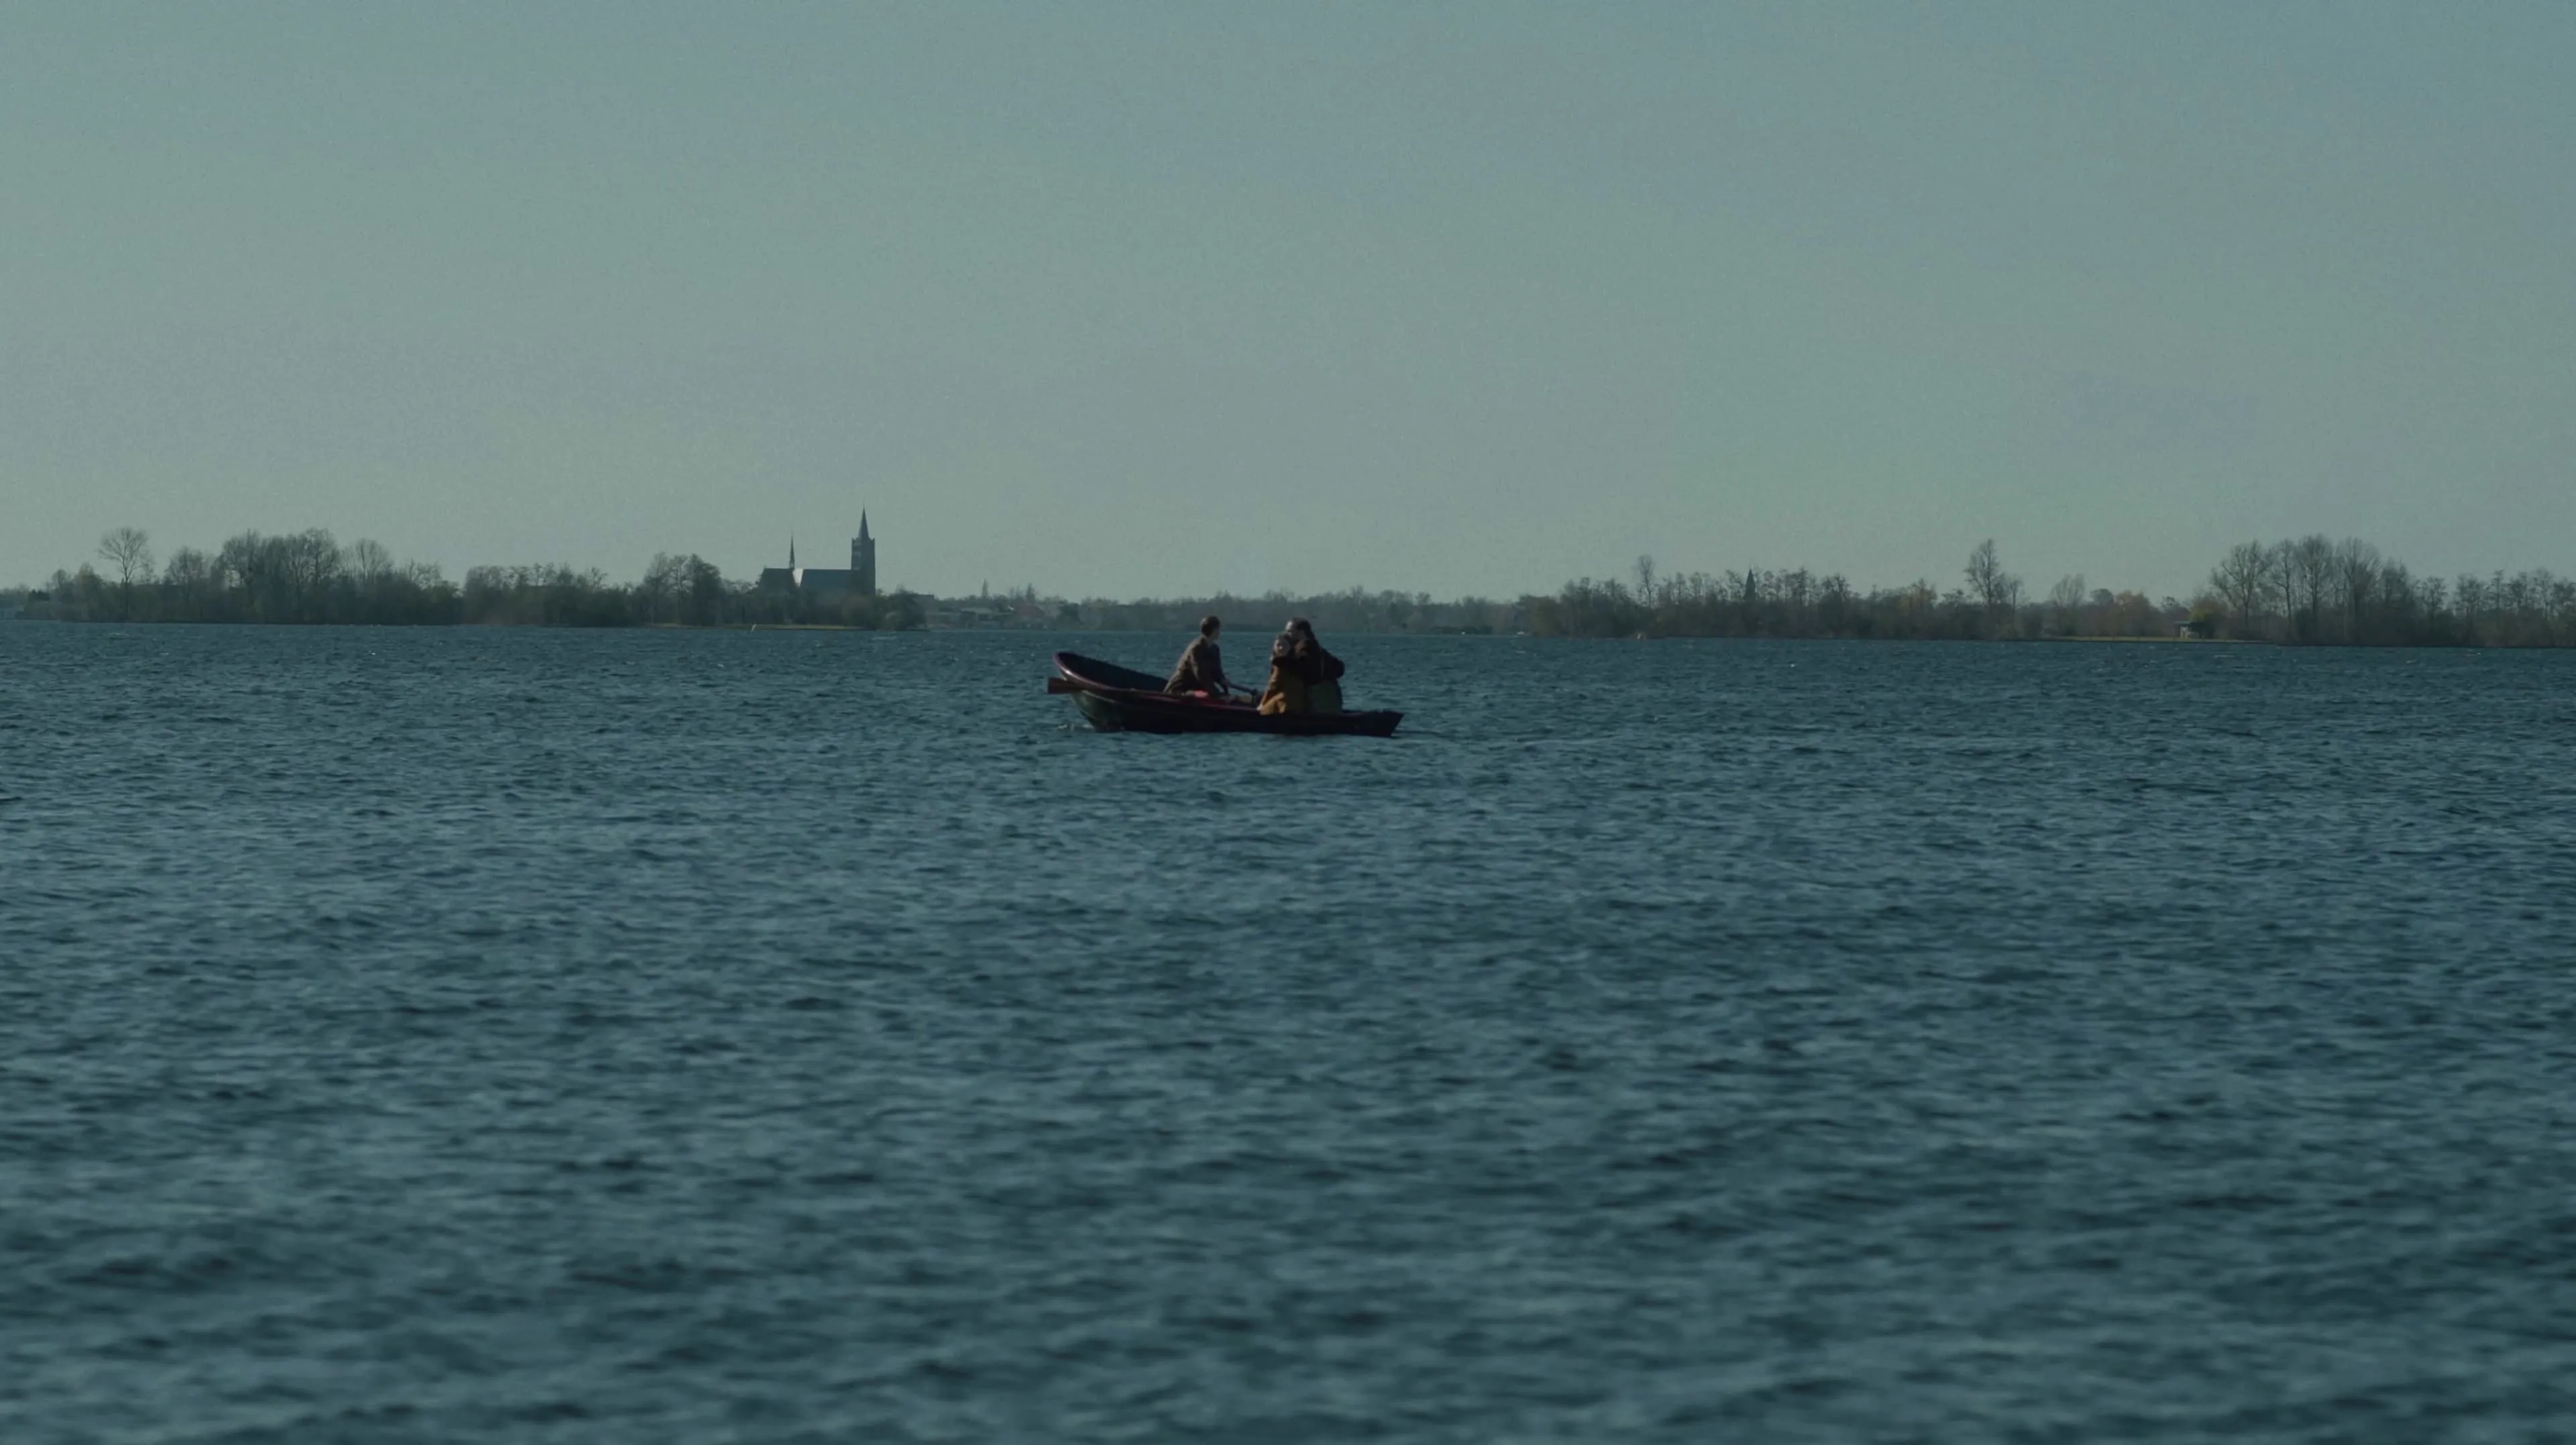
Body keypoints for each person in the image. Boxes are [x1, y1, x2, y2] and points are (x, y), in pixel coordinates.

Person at [1257, 617, 1346, 716]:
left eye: (1290, 631)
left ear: (1301, 632)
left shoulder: (1305, 646)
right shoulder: (1317, 648)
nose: (1287, 634)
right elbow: (1339, 668)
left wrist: (1279, 661)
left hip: (1311, 701)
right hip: (1328, 701)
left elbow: (1302, 667)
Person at [1165, 615, 1237, 696]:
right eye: (1218, 629)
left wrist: (1223, 681)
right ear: (1214, 630)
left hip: (1197, 688)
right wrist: (1217, 695)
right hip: (1180, 690)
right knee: (1206, 695)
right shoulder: (1196, 649)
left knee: (1210, 695)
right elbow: (1201, 675)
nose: (1219, 632)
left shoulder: (1215, 649)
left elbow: (1217, 672)